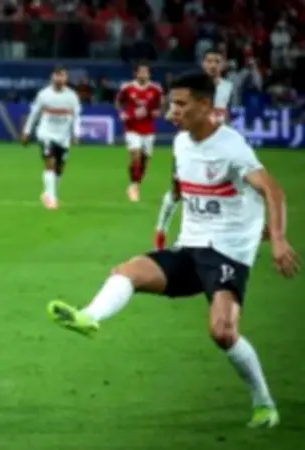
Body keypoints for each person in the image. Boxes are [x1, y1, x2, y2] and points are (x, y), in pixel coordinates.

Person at [47, 72, 299, 428]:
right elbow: (181, 191)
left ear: (205, 105)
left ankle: (264, 404)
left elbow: (272, 190)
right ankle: (89, 317)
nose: (171, 112)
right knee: (128, 271)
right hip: (189, 248)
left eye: (181, 104)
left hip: (226, 255)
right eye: (171, 103)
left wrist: (279, 238)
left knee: (223, 332)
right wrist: (163, 226)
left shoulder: (232, 146)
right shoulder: (181, 144)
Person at [154, 50, 234, 249]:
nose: (213, 65)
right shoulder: (189, 85)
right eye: (209, 61)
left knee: (215, 191)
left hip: (216, 147)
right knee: (178, 191)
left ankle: (205, 238)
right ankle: (161, 230)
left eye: (217, 61)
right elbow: (171, 110)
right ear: (203, 63)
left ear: (223, 65)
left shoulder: (227, 87)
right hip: (190, 145)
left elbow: (225, 114)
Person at [20, 66, 81, 210]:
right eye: (57, 75)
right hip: (46, 134)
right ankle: (52, 199)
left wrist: (76, 133)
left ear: (66, 78)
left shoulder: (72, 96)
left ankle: (47, 193)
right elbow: (34, 114)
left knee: (59, 169)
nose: (60, 78)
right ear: (52, 77)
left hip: (63, 137)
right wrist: (26, 131)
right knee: (50, 163)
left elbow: (77, 116)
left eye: (62, 76)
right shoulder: (44, 94)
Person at [114, 62, 163, 202]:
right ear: (135, 73)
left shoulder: (155, 89)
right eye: (141, 72)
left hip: (148, 128)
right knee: (135, 155)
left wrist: (157, 111)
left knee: (144, 160)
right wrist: (122, 113)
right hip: (132, 127)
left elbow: (161, 104)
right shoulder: (127, 87)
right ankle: (133, 186)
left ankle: (136, 183)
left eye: (146, 72)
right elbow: (118, 102)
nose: (144, 74)